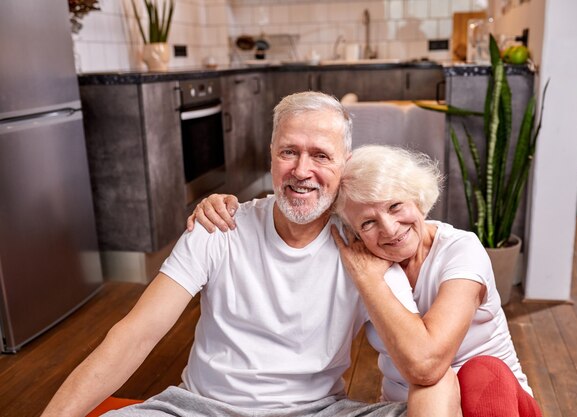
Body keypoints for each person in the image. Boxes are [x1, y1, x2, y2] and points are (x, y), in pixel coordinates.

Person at [41, 93, 445, 417]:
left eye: (321, 155)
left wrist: (370, 277)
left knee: (441, 388)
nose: (302, 170)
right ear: (271, 154)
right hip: (201, 409)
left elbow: (423, 364)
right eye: (289, 151)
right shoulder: (218, 227)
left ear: (345, 164)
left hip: (318, 411)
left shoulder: (365, 247)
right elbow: (135, 335)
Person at [192, 145, 542, 417]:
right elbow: (295, 212)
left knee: (478, 371)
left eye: (394, 207)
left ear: (418, 198)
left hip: (497, 402)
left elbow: (428, 364)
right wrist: (219, 205)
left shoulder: (460, 251)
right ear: (355, 233)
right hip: (415, 410)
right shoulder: (360, 256)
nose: (390, 230)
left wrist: (370, 282)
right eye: (368, 223)